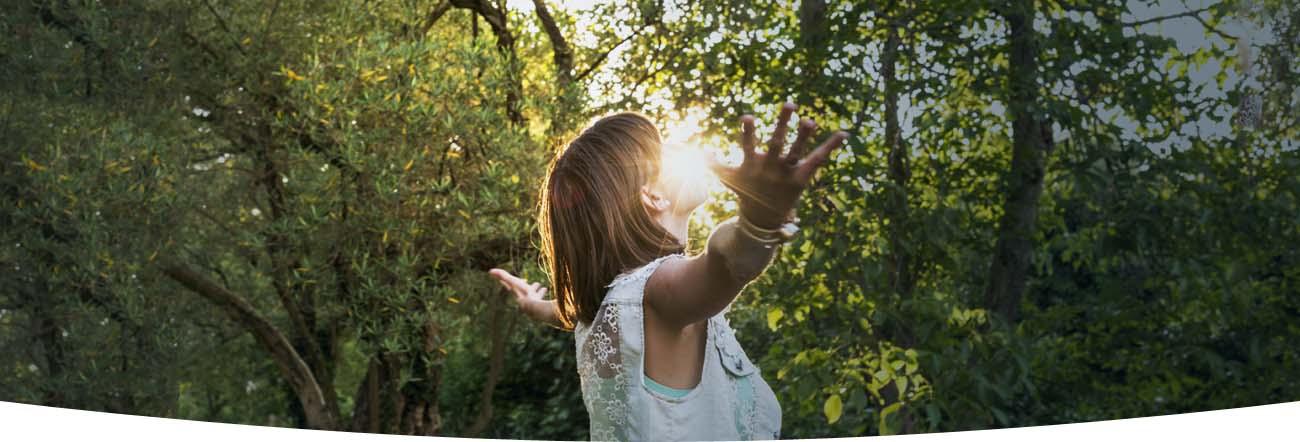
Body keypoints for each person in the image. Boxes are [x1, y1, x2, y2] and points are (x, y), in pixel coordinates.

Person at [489, 102, 848, 441]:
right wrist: (760, 220)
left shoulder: (597, 307)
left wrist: (531, 303)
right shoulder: (659, 291)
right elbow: (727, 257)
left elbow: (562, 311)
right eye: (665, 150)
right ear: (653, 196)